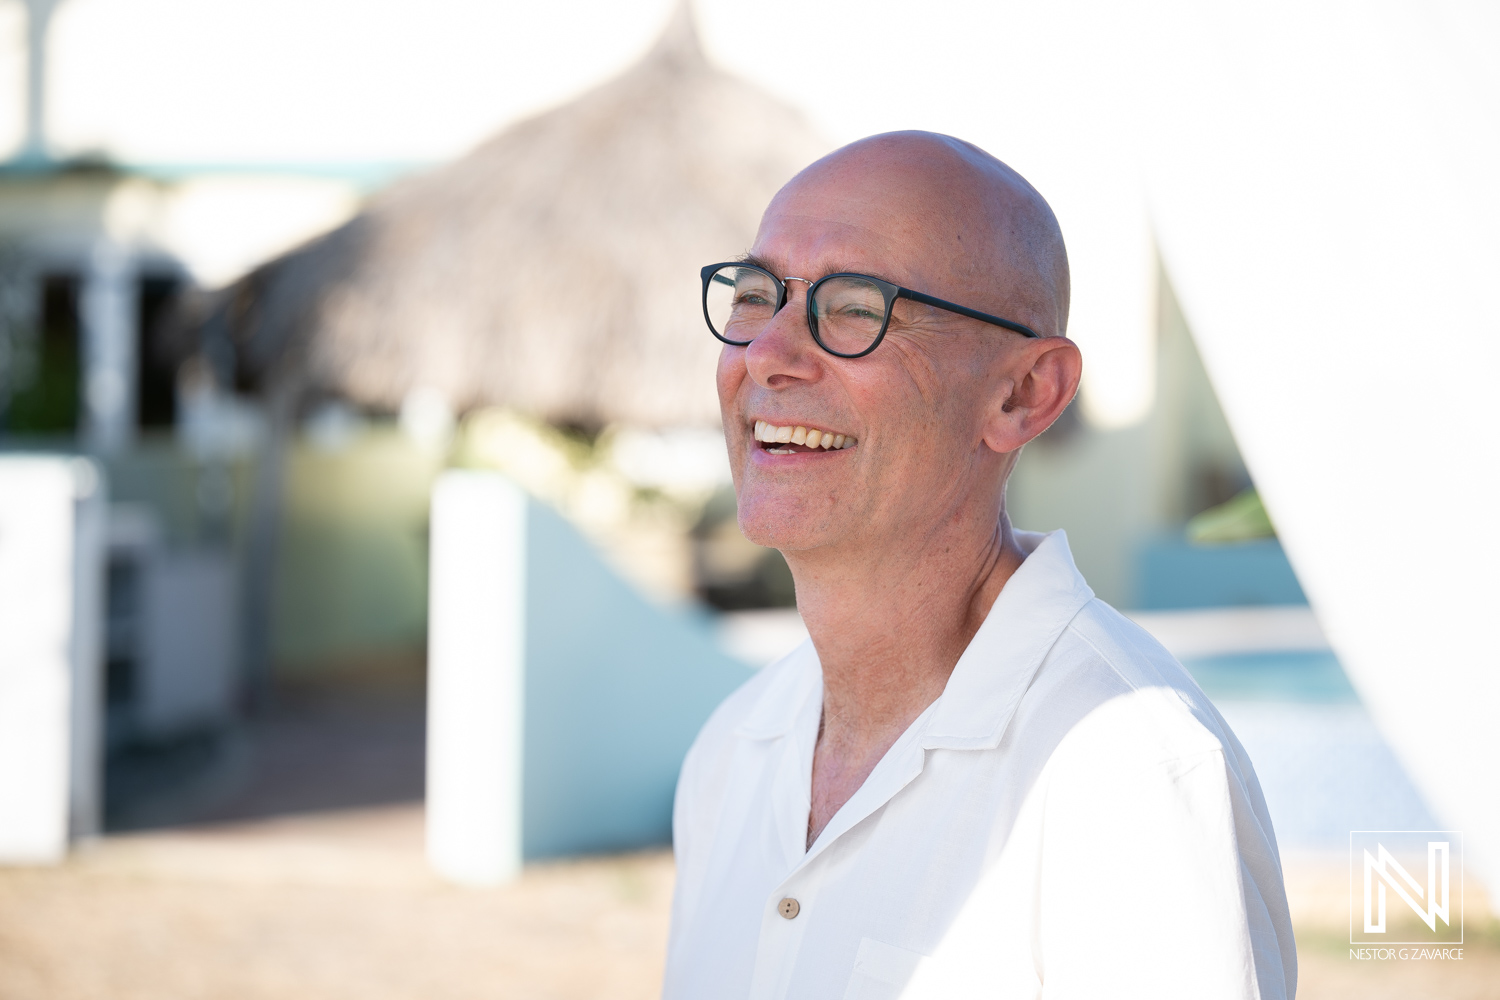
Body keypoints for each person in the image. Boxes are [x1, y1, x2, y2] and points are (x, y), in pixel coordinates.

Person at [662, 132, 1296, 999]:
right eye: (753, 295)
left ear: (1024, 394)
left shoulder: (1126, 772)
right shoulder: (734, 750)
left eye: (855, 307)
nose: (766, 354)